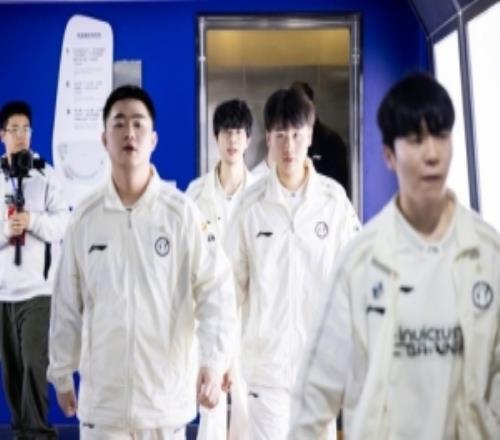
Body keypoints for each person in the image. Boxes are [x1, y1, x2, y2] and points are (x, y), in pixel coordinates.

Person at [289, 73, 500, 439]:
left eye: (441, 136)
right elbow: (316, 389)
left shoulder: (488, 254)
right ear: (389, 155)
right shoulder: (360, 260)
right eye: (415, 140)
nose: (431, 154)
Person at [47, 85, 237, 440]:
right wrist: (61, 371)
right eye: (119, 123)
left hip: (164, 406)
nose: (129, 133)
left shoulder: (181, 214)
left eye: (138, 124)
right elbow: (66, 302)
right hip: (104, 409)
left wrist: (214, 361)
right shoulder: (85, 218)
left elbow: (216, 289)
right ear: (104, 139)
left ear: (153, 139)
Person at [228, 87, 360, 440]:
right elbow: (229, 290)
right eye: (281, 135)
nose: (289, 145)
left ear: (310, 136)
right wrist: (219, 356)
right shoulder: (250, 206)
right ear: (268, 139)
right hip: (266, 370)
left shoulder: (333, 203)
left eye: (297, 135)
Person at [186, 98, 255, 440]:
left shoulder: (261, 192)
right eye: (227, 132)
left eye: (239, 132)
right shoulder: (195, 193)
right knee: (210, 405)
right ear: (216, 137)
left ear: (249, 139)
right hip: (209, 313)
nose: (233, 140)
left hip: (248, 313)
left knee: (247, 406)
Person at [0, 101, 68, 439]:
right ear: (2, 135)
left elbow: (63, 224)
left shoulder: (47, 175)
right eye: (14, 129)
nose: (21, 136)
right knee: (12, 370)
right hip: (3, 292)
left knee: (32, 362)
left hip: (38, 291)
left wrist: (32, 221)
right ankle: (22, 431)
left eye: (25, 129)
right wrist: (6, 230)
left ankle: (39, 433)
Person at [291, 81, 350, 196]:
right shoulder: (288, 142)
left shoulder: (332, 141)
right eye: (294, 107)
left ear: (313, 106)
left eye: (303, 105)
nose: (299, 112)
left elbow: (337, 188)